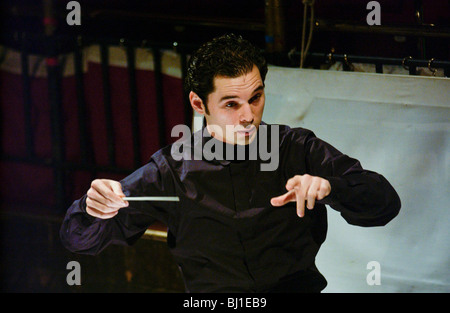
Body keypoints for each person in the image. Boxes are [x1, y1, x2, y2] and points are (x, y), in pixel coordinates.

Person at [60, 34, 401, 293]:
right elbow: (78, 240)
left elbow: (385, 204)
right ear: (198, 103)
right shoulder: (172, 169)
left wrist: (331, 187)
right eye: (231, 104)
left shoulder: (295, 148)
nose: (248, 116)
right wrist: (93, 208)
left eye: (255, 98)